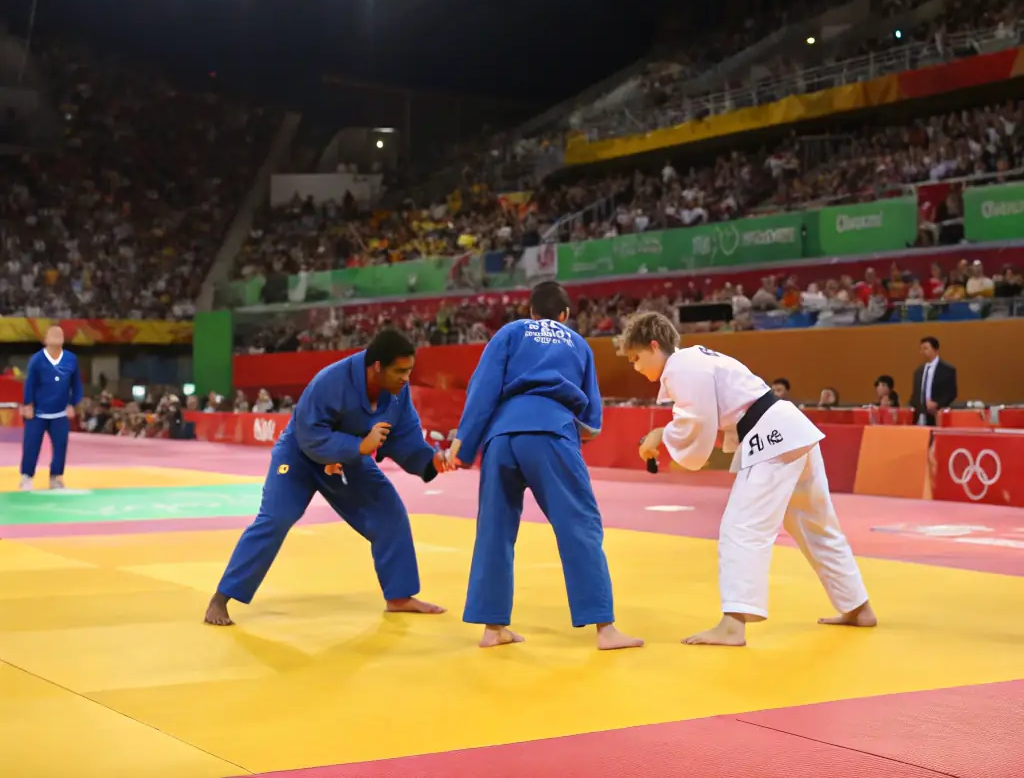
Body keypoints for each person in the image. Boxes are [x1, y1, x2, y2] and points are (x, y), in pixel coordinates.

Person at [620, 310, 875, 647]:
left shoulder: (681, 367)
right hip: (787, 428)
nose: (636, 368)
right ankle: (858, 606)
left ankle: (733, 623)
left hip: (770, 436)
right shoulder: (696, 360)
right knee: (815, 524)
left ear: (655, 346)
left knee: (742, 527)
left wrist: (661, 436)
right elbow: (706, 422)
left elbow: (695, 421)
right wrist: (664, 435)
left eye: (637, 358)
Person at [204, 329, 450, 627]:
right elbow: (310, 435)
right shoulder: (331, 381)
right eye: (399, 371)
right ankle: (222, 597)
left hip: (349, 458)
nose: (405, 378)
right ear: (376, 367)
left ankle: (399, 597)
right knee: (276, 518)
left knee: (389, 511)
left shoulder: (398, 393)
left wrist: (431, 460)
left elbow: (406, 437)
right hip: (300, 456)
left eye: (409, 371)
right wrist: (358, 446)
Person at [448, 279, 641, 651]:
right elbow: (591, 417)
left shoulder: (510, 332)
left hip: (501, 437)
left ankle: (493, 627)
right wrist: (576, 431)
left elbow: (482, 387)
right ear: (565, 315)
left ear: (531, 312)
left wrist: (463, 445)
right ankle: (605, 629)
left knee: (495, 529)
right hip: (551, 430)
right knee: (578, 524)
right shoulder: (578, 343)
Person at [20, 325, 82, 491]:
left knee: (61, 446)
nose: (56, 335)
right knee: (31, 445)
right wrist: (28, 404)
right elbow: (30, 383)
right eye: (52, 333)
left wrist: (72, 404)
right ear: (45, 340)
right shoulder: (37, 359)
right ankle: (26, 477)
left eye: (60, 333)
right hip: (38, 413)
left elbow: (76, 385)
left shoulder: (71, 359)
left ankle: (56, 477)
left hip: (60, 413)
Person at [910, 336, 957, 426]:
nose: (923, 352)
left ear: (935, 350)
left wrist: (937, 404)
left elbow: (951, 392)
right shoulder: (918, 371)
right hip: (921, 416)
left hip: (938, 414)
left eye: (926, 348)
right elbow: (915, 394)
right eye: (921, 349)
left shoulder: (947, 370)